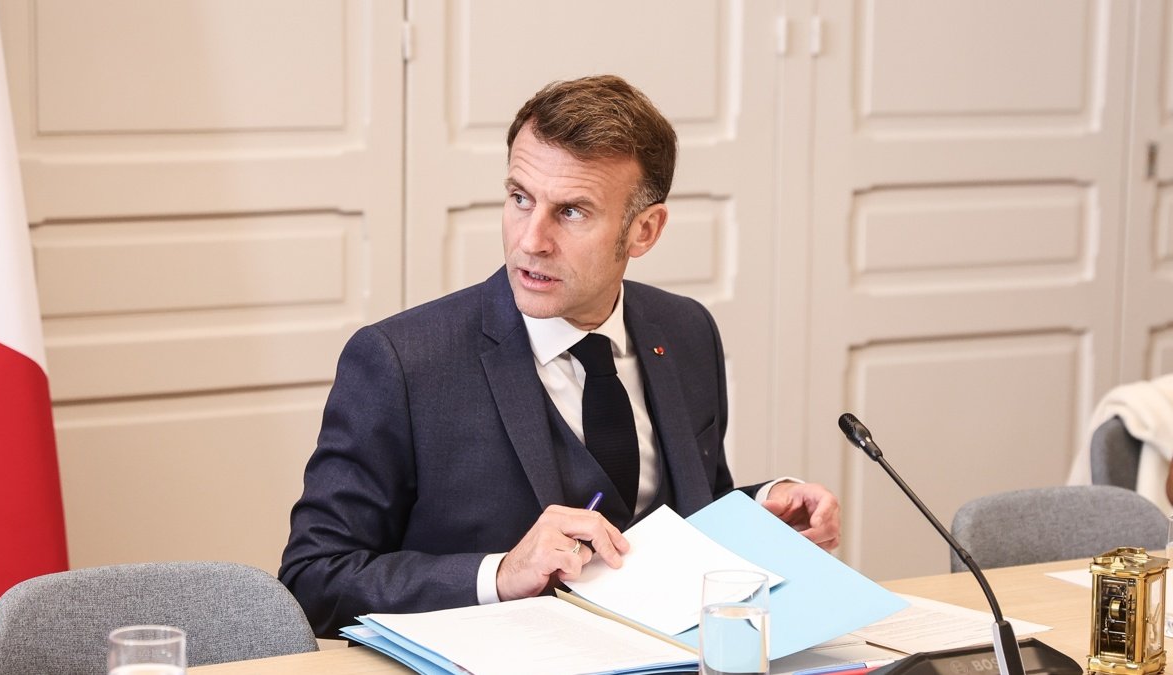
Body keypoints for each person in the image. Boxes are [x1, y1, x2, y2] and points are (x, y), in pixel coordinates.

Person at [279, 74, 841, 637]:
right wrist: (499, 574)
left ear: (645, 230)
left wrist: (762, 509)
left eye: (571, 212)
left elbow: (688, 510)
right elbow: (313, 580)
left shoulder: (687, 329)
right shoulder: (400, 362)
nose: (531, 240)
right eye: (520, 198)